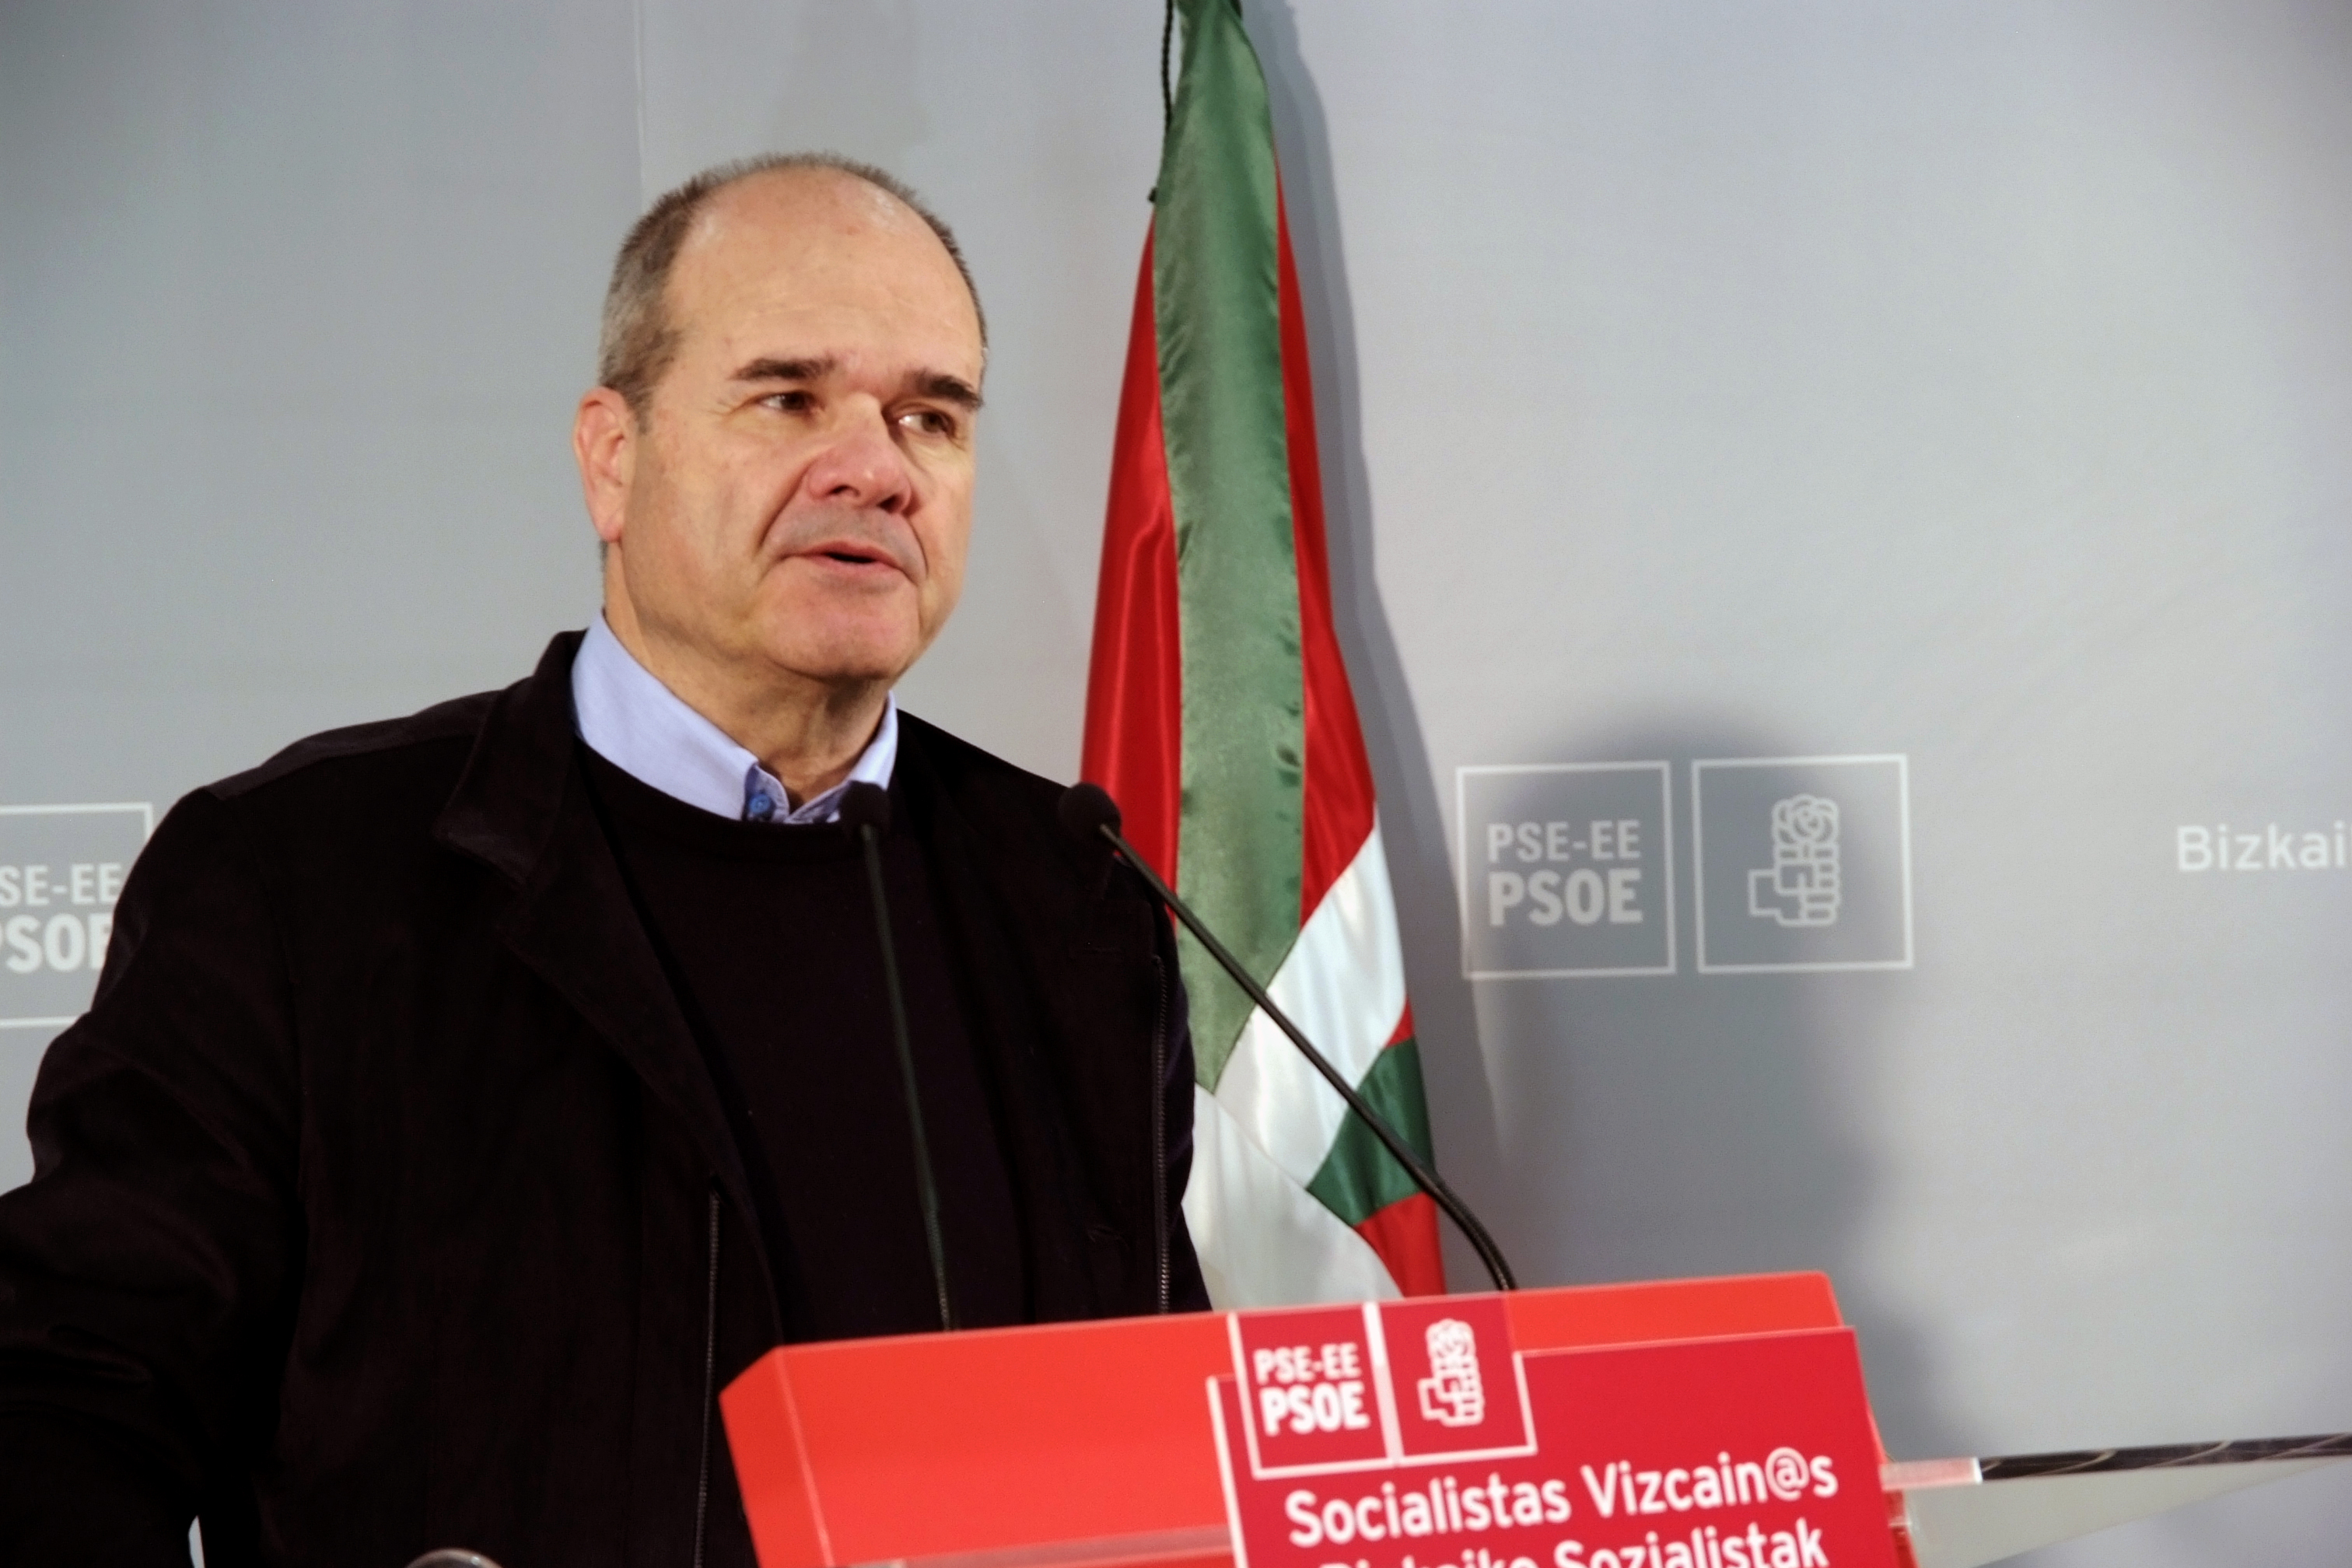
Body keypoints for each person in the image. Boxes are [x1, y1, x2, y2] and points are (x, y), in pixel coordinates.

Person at [0, 152, 1206, 1567]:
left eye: (929, 418)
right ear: (612, 459)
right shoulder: (293, 881)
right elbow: (68, 1409)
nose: (877, 470)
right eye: (788, 398)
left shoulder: (1074, 898)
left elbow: (1151, 1439)